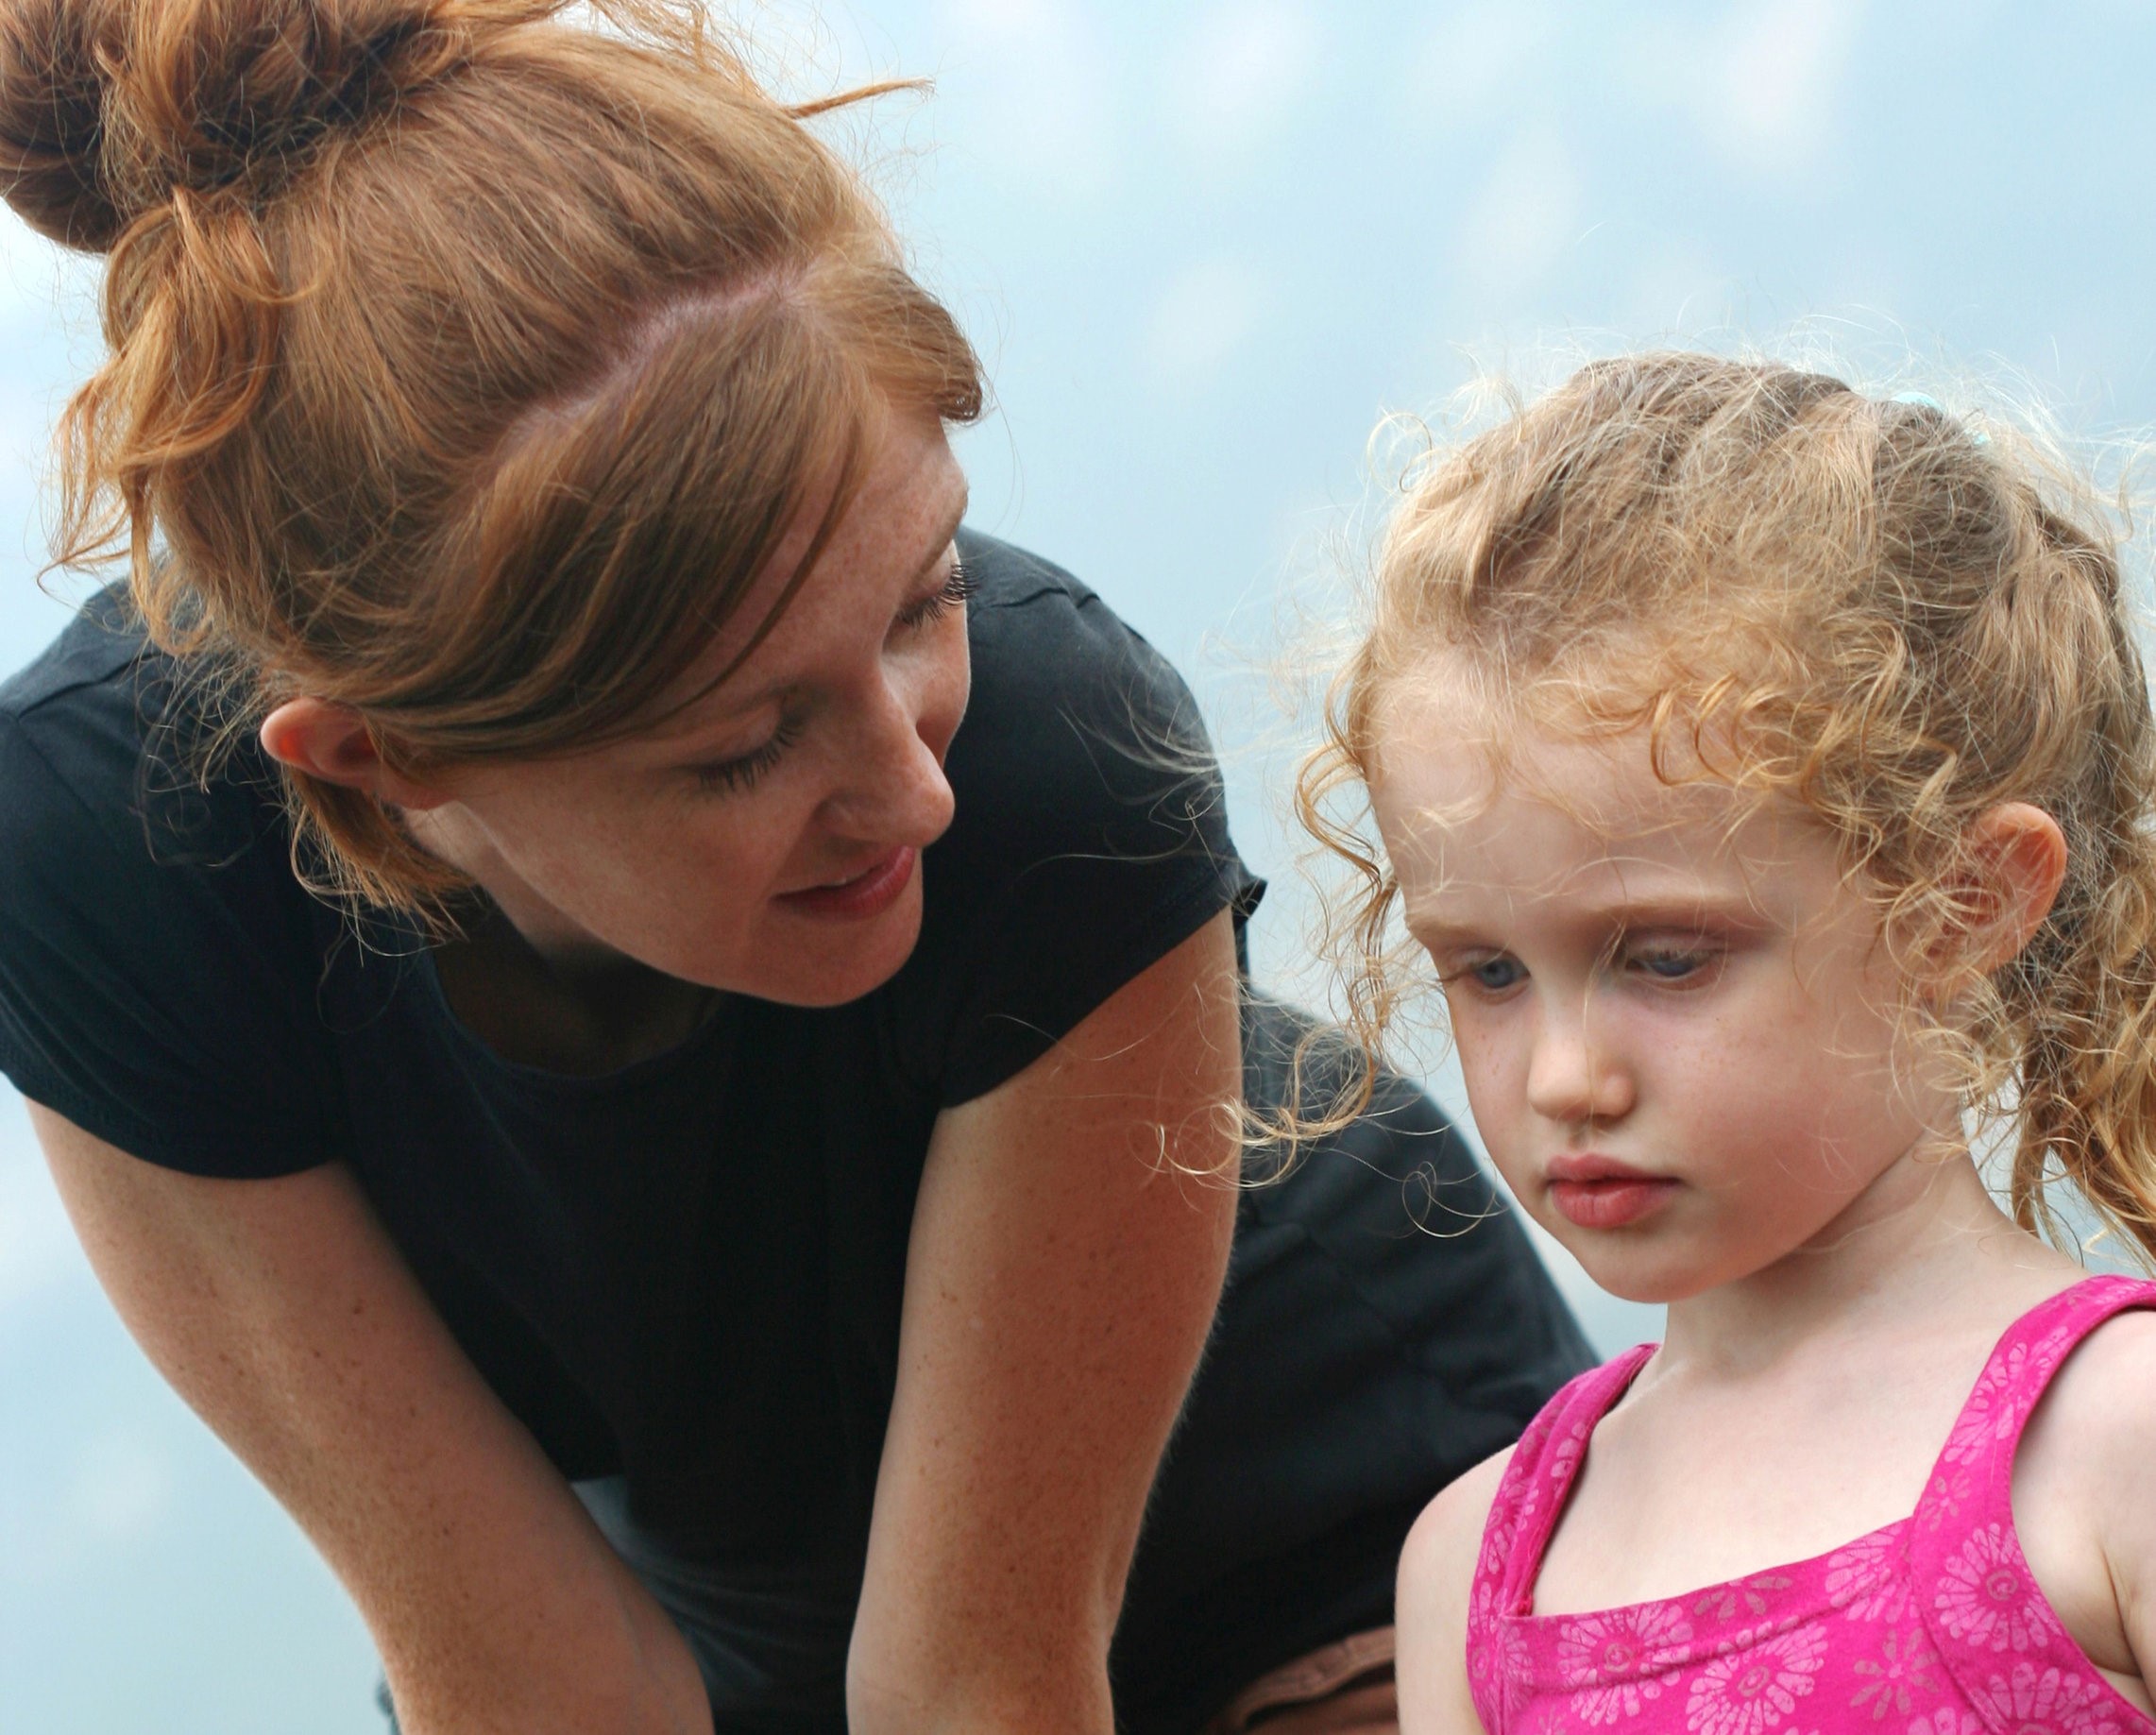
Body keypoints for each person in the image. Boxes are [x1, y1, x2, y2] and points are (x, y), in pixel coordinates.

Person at [0, 0, 1591, 1729]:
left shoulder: (1060, 754)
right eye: (743, 746)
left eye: (926, 598)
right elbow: (533, 1685)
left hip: (1345, 1525)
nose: (915, 794)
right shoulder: (100, 857)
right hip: (751, 1647)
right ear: (387, 763)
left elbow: (978, 1688)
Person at [1293, 350, 2156, 1735]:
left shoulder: (2117, 1441)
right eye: (1491, 970)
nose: (1569, 1075)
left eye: (1667, 958)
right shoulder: (1473, 1568)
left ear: (1962, 905)